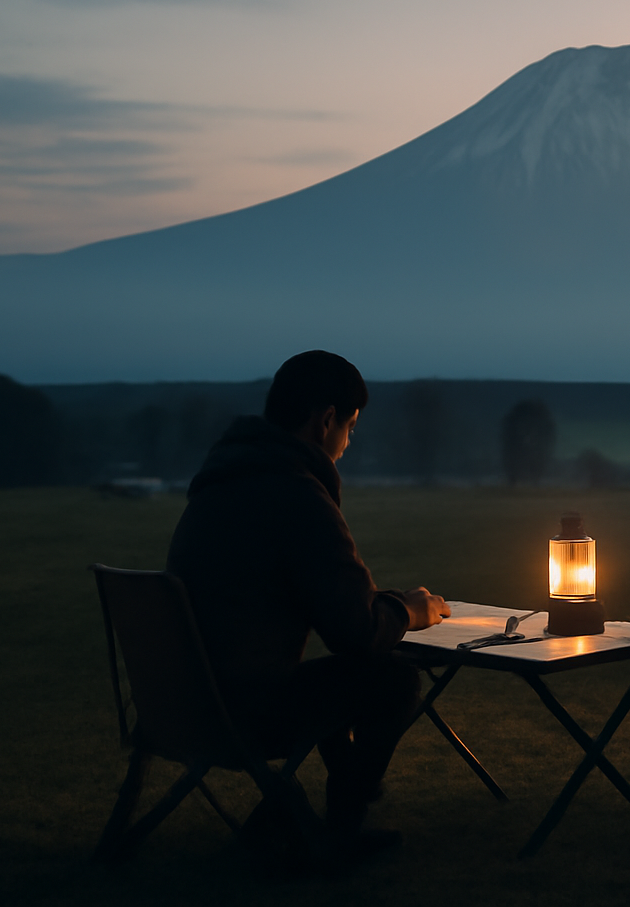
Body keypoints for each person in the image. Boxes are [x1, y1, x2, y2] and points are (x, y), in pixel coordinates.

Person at [166, 350, 450, 858]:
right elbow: (356, 633)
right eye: (351, 426)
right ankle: (340, 830)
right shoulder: (295, 495)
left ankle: (306, 813)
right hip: (244, 712)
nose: (347, 442)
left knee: (337, 678)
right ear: (326, 421)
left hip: (178, 705)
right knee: (392, 678)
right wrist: (409, 611)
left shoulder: (221, 484)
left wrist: (381, 606)